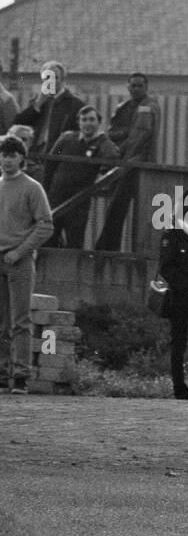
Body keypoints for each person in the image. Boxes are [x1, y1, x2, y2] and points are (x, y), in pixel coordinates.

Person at [0, 136, 54, 393]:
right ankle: (2, 372)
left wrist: (20, 251)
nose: (7, 160)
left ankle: (20, 375)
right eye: (3, 155)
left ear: (21, 158)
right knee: (1, 321)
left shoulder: (32, 188)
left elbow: (46, 225)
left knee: (19, 320)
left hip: (19, 261)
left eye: (12, 155)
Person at [96, 73, 161, 252]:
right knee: (117, 209)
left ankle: (108, 249)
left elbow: (140, 135)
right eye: (133, 86)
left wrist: (123, 159)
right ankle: (108, 249)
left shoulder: (148, 106)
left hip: (137, 166)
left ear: (146, 87)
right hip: (125, 165)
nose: (136, 89)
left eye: (140, 86)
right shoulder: (123, 107)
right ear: (128, 87)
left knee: (133, 212)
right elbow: (112, 134)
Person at [43, 106, 119, 249]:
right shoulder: (66, 138)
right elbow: (50, 162)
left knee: (75, 243)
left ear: (99, 123)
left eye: (92, 119)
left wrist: (102, 138)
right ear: (78, 122)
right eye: (84, 119)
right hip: (55, 199)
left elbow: (112, 158)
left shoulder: (101, 143)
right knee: (48, 241)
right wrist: (45, 191)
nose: (87, 123)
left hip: (78, 204)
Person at [157, 188, 188, 399]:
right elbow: (166, 267)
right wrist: (186, 287)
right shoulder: (173, 233)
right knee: (178, 342)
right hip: (180, 296)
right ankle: (179, 387)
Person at [13, 61, 85, 186]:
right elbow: (18, 123)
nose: (51, 81)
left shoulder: (75, 105)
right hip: (35, 158)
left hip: (58, 160)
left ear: (63, 80)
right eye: (47, 77)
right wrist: (38, 104)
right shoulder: (38, 102)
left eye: (55, 77)